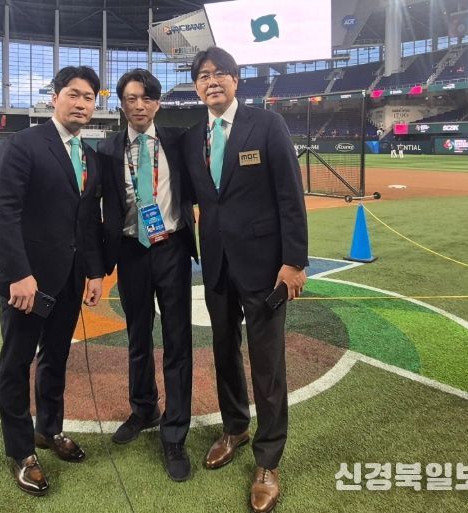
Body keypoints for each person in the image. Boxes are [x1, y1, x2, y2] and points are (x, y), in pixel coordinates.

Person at [182, 47, 308, 513]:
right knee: (223, 352)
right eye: (203, 76)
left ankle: (268, 461)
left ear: (236, 80)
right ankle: (235, 427)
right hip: (216, 264)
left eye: (220, 74)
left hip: (265, 266)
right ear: (196, 86)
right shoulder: (192, 136)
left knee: (267, 363)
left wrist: (294, 261)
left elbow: (290, 195)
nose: (211, 81)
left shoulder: (267, 124)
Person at [0, 66, 105, 497]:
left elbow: (87, 221)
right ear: (54, 97)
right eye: (73, 94)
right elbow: (3, 210)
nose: (81, 104)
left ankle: (48, 429)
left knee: (56, 357)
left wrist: (95, 271)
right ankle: (22, 452)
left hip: (69, 279)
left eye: (89, 97)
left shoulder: (89, 156)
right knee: (16, 363)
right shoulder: (23, 144)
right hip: (27, 283)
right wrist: (18, 274)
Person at [97, 69, 198, 481]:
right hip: (130, 251)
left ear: (157, 103)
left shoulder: (179, 141)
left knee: (177, 341)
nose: (139, 105)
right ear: (121, 103)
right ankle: (144, 409)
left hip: (171, 248)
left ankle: (175, 433)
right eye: (130, 98)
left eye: (146, 98)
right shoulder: (107, 148)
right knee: (138, 337)